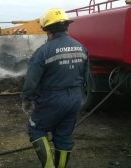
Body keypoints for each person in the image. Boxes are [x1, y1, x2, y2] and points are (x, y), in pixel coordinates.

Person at [21, 8, 89, 168]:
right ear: (66, 26)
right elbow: (86, 77)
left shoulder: (43, 51)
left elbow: (31, 81)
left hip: (51, 99)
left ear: (46, 29)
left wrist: (27, 99)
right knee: (63, 135)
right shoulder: (81, 47)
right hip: (75, 98)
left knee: (36, 129)